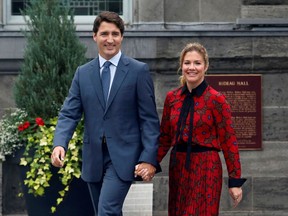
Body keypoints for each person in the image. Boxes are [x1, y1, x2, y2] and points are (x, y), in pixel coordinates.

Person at [50, 11, 160, 215]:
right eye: (104, 34)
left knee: (106, 210)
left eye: (115, 34)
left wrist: (148, 158)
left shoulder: (138, 71)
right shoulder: (83, 73)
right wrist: (59, 143)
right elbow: (69, 113)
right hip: (93, 159)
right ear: (94, 36)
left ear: (122, 37)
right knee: (107, 211)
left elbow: (149, 120)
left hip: (124, 158)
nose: (110, 39)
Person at [157, 42, 246, 216]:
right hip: (178, 167)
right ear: (181, 66)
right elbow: (165, 137)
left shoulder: (216, 99)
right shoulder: (172, 98)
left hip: (207, 168)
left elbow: (229, 142)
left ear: (205, 66)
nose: (192, 67)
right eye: (187, 63)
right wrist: (150, 163)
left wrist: (235, 181)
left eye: (197, 63)